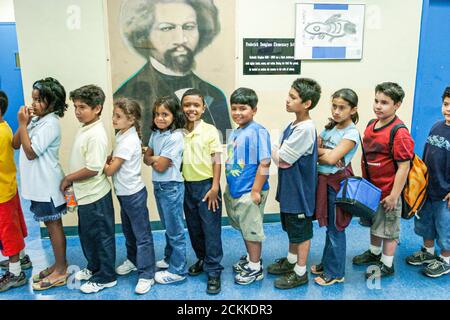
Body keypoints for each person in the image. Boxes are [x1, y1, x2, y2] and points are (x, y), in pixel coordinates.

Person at [115, 0, 232, 144]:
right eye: (167, 28)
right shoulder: (128, 96)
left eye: (189, 27)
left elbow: (225, 146)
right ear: (144, 34)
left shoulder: (215, 95)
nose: (181, 39)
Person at [352, 82, 414, 279]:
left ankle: (387, 264)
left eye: (385, 103)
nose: (378, 106)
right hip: (372, 189)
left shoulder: (399, 132)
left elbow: (404, 167)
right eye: (376, 101)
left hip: (389, 192)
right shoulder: (372, 123)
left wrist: (394, 196)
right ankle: (374, 252)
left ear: (397, 105)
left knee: (389, 228)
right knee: (375, 223)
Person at [12, 78, 69, 291]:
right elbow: (16, 143)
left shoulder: (51, 123)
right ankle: (58, 264)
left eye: (39, 100)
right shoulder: (37, 120)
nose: (33, 103)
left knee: (54, 226)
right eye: (33, 99)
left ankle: (61, 269)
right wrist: (24, 125)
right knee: (49, 224)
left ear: (52, 103)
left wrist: (22, 125)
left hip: (48, 186)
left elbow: (31, 151)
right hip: (38, 186)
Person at [60, 85, 117, 293]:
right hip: (84, 195)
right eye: (75, 107)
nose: (77, 111)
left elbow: (93, 169)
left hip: (95, 196)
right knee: (88, 235)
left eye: (82, 107)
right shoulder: (85, 128)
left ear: (97, 108)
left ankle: (107, 276)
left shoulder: (96, 134)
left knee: (101, 236)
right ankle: (94, 268)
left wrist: (68, 178)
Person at [269, 78, 320, 289]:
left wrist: (272, 146)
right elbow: (281, 154)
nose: (287, 100)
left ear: (306, 103)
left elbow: (282, 159)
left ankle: (300, 272)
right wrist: (277, 149)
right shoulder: (293, 125)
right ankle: (291, 261)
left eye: (293, 97)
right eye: (288, 95)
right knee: (292, 228)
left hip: (300, 192)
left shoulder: (305, 129)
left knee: (302, 231)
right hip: (289, 190)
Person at [103, 98, 156, 294]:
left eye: (118, 116)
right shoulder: (121, 135)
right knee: (128, 231)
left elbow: (109, 170)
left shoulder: (129, 141)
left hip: (133, 194)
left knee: (142, 236)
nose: (114, 120)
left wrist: (98, 162)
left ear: (131, 119)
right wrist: (109, 160)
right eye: (113, 115)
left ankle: (147, 274)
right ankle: (133, 260)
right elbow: (112, 160)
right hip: (124, 193)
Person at [310, 89, 360, 286]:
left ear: (353, 109)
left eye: (342, 107)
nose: (337, 111)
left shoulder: (351, 133)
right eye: (334, 106)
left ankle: (336, 272)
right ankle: (327, 262)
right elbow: (315, 148)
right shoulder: (330, 128)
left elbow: (330, 158)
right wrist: (328, 152)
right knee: (329, 227)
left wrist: (326, 153)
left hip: (337, 184)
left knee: (336, 227)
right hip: (324, 181)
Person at [224, 87, 271, 285]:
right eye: (234, 108)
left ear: (254, 109)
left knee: (252, 230)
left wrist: (255, 191)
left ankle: (255, 267)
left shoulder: (258, 131)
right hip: (236, 189)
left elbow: (265, 162)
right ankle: (251, 258)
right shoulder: (236, 131)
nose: (237, 113)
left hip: (250, 191)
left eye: (242, 108)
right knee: (245, 228)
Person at [181, 89, 223, 294]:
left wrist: (215, 187)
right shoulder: (179, 132)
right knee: (194, 228)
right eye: (187, 105)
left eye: (196, 105)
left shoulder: (210, 131)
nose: (191, 109)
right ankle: (202, 258)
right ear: (182, 107)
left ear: (203, 108)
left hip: (207, 187)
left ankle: (214, 271)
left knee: (211, 230)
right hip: (187, 187)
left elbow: (217, 159)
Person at [405, 86, 450, 277]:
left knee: (445, 227)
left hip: (446, 194)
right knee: (425, 224)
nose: (448, 108)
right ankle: (428, 252)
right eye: (446, 104)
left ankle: (446, 259)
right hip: (428, 189)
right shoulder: (436, 126)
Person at [143, 96, 187, 284]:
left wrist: (155, 159)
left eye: (165, 114)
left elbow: (160, 166)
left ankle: (178, 270)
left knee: (175, 230)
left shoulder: (176, 136)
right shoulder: (156, 134)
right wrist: (156, 159)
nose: (160, 118)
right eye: (157, 115)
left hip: (171, 187)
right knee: (168, 227)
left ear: (174, 115)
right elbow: (146, 158)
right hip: (159, 186)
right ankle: (170, 259)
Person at [0, 90, 29, 292]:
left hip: (2, 193)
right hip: (8, 187)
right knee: (13, 226)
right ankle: (21, 258)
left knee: (8, 232)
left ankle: (16, 273)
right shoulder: (4, 127)